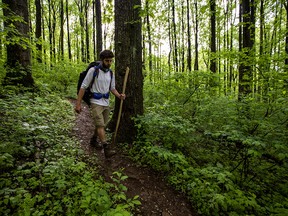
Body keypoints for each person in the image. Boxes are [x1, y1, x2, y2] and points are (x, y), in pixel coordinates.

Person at [75, 50, 125, 158]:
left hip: (106, 102)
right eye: (107, 61)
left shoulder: (111, 73)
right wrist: (78, 104)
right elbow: (83, 87)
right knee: (100, 124)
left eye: (111, 61)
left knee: (102, 125)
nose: (109, 63)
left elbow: (112, 88)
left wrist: (119, 95)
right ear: (102, 60)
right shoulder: (94, 71)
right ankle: (106, 148)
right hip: (95, 101)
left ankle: (93, 139)